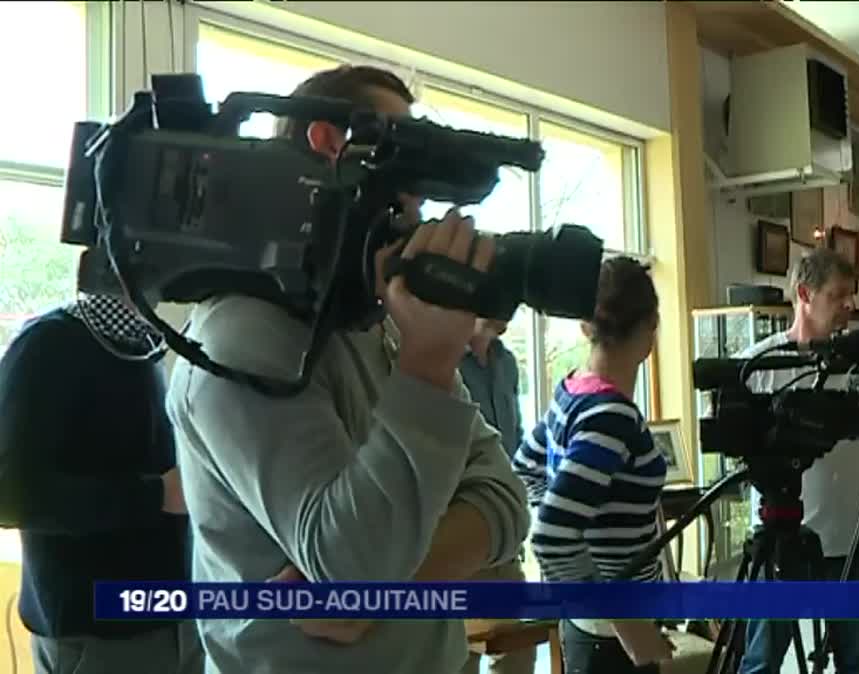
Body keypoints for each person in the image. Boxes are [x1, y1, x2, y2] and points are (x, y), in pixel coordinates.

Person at [165, 65, 529, 673]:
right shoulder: (241, 336)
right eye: (404, 163)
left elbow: (504, 500)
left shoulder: (383, 322)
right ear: (331, 143)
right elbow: (348, 563)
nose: (419, 201)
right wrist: (429, 365)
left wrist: (382, 592)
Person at [0, 272, 201, 674]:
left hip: (174, 619)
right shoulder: (47, 346)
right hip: (97, 637)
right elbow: (10, 496)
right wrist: (156, 495)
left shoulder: (144, 345)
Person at [512, 256, 674, 674]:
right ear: (651, 326)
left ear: (587, 327)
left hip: (587, 627)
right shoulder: (610, 416)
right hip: (611, 638)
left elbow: (526, 468)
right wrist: (628, 627)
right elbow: (551, 535)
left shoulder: (571, 392)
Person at [738, 248, 859, 674]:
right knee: (762, 660)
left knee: (858, 662)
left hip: (853, 539)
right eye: (837, 296)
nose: (848, 307)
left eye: (850, 296)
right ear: (804, 293)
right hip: (781, 538)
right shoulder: (760, 365)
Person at [458, 319, 535, 674]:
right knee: (457, 662)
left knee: (518, 658)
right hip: (454, 544)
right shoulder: (442, 360)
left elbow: (514, 442)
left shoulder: (506, 363)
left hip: (504, 544)